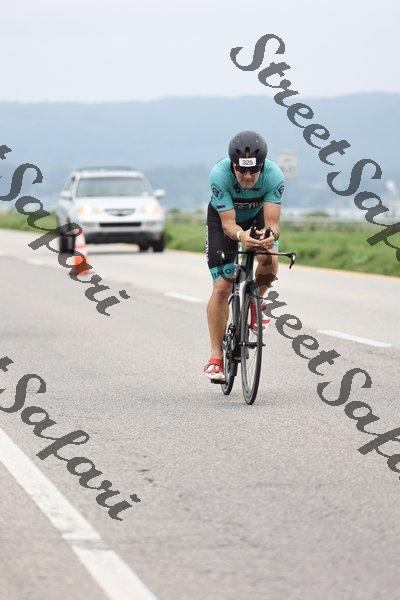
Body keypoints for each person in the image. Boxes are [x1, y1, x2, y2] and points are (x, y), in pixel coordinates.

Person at [204, 130, 284, 382]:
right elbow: (228, 224)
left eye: (254, 170)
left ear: (262, 166)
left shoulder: (274, 175)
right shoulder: (219, 174)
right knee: (222, 286)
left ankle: (255, 300)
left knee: (270, 259)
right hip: (224, 222)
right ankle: (216, 358)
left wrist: (269, 236)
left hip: (258, 217)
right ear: (233, 165)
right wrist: (241, 236)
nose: (248, 177)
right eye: (241, 170)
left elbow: (273, 223)